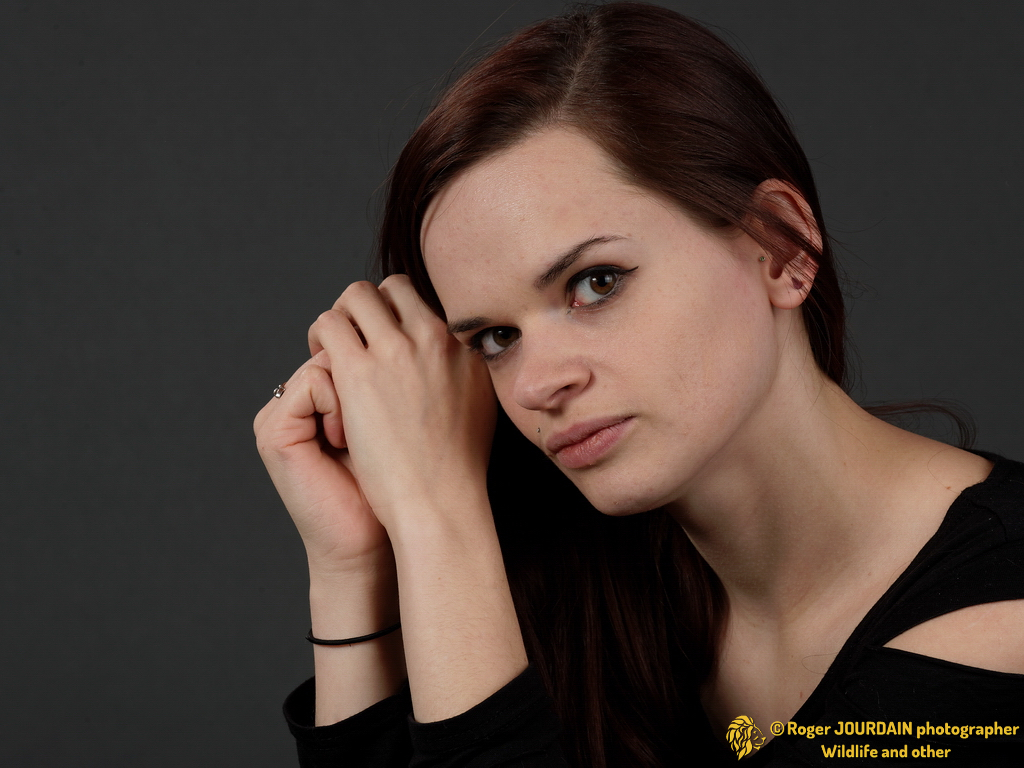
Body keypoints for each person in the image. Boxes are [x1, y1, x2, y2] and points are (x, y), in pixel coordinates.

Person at [253, 3, 1024, 765]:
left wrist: (433, 515)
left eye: (597, 283)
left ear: (782, 244)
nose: (538, 385)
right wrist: (353, 564)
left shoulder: (1001, 622)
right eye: (495, 339)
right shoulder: (583, 579)